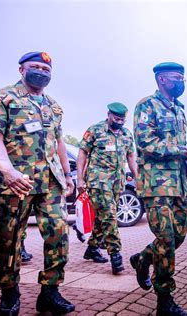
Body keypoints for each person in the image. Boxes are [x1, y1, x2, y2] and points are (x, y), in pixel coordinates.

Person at [0, 52, 75, 315]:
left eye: (46, 68)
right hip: (17, 182)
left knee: (59, 235)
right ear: (21, 70)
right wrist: (7, 170)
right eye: (35, 67)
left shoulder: (54, 106)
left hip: (51, 183)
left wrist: (67, 176)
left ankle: (50, 292)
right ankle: (9, 294)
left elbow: (59, 142)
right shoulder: (2, 97)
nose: (41, 71)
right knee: (9, 239)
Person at [131, 62, 187, 315]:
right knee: (166, 240)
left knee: (179, 235)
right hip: (156, 186)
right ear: (161, 79)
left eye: (183, 77)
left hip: (179, 186)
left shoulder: (180, 111)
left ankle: (143, 259)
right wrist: (184, 151)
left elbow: (178, 149)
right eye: (176, 77)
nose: (181, 81)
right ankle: (165, 300)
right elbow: (146, 142)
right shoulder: (146, 105)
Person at [76, 102, 138, 274]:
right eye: (117, 118)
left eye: (122, 120)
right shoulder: (95, 130)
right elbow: (82, 153)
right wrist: (80, 179)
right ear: (109, 115)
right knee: (110, 216)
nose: (120, 122)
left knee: (103, 217)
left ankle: (92, 248)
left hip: (117, 182)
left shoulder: (126, 134)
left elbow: (131, 158)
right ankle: (115, 254)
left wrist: (138, 178)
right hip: (98, 181)